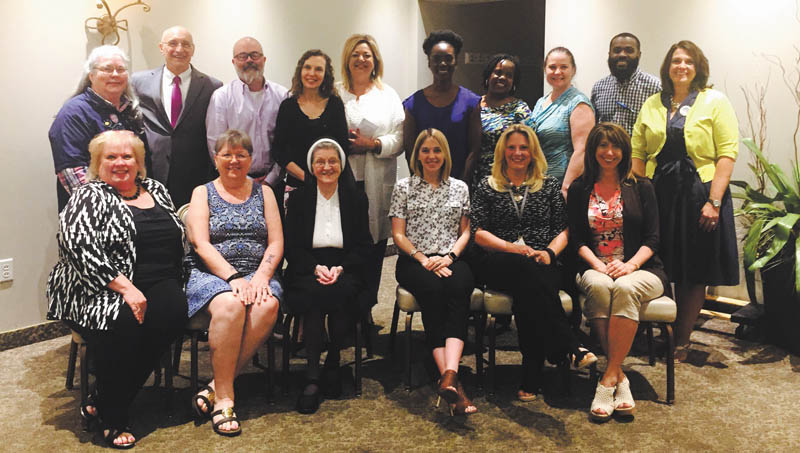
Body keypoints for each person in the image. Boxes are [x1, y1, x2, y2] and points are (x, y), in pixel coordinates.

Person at [46, 130, 187, 448]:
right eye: (111, 157)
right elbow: (78, 247)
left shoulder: (157, 190)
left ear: (139, 162)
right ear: (98, 163)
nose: (120, 163)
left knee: (174, 312)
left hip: (159, 279)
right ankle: (113, 417)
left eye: (127, 156)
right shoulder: (88, 195)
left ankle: (102, 397)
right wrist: (126, 288)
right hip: (96, 285)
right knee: (123, 321)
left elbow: (177, 236)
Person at [470, 124, 596, 401]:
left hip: (542, 260)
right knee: (528, 272)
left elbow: (564, 229)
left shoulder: (548, 185)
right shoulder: (486, 186)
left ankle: (533, 376)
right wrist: (513, 249)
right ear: (502, 152)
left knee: (530, 290)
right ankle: (569, 345)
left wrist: (549, 253)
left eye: (523, 148)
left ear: (533, 152)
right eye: (511, 147)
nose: (517, 153)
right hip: (498, 261)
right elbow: (476, 232)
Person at [631, 40, 739, 361]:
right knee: (660, 264)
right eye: (676, 60)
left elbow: (727, 153)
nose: (681, 66)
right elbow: (638, 151)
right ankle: (662, 330)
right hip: (658, 194)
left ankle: (681, 339)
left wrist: (714, 202)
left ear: (698, 67)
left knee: (694, 268)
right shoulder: (653, 103)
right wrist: (639, 195)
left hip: (698, 194)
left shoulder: (715, 101)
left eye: (688, 61)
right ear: (667, 67)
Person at [568, 122, 668, 421]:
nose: (609, 152)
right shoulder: (580, 188)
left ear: (624, 151)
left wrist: (629, 266)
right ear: (593, 150)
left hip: (641, 267)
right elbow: (576, 239)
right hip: (594, 265)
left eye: (615, 146)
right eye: (603, 146)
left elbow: (653, 239)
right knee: (600, 286)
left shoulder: (642, 186)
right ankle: (619, 377)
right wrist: (599, 265)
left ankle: (608, 378)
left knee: (624, 287)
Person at [184, 129, 282, 436]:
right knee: (230, 305)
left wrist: (262, 276)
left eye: (241, 155)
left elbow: (276, 242)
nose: (234, 161)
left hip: (257, 271)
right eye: (227, 154)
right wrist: (233, 277)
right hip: (211, 274)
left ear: (251, 159)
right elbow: (200, 243)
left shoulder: (265, 192)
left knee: (267, 304)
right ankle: (225, 399)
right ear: (216, 159)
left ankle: (215, 386)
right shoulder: (202, 192)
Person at [389, 128, 476, 415]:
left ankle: (448, 375)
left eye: (437, 150)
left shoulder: (460, 188)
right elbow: (398, 234)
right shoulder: (404, 187)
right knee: (434, 291)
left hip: (451, 258)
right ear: (417, 155)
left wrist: (449, 257)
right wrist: (423, 259)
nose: (431, 156)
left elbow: (466, 232)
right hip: (414, 261)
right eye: (425, 150)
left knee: (460, 288)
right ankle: (452, 379)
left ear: (445, 155)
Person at [284, 138, 372, 415]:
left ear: (341, 165)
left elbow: (364, 244)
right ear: (311, 167)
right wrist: (315, 267)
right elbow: (291, 246)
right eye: (320, 162)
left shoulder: (356, 198)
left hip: (345, 265)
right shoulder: (298, 199)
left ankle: (333, 362)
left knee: (342, 292)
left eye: (332, 161)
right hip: (307, 266)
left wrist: (341, 268)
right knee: (314, 296)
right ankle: (312, 375)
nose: (326, 167)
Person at [336, 34, 405, 310]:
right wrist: (343, 145)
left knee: (374, 247)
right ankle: (345, 308)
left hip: (376, 181)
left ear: (375, 60)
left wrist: (372, 144)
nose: (361, 60)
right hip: (343, 181)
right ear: (347, 60)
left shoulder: (387, 95)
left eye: (367, 55)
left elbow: (400, 138)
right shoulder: (335, 93)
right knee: (345, 245)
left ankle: (366, 308)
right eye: (355, 55)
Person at [49, 45, 148, 212]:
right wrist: (115, 210)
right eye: (107, 69)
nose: (115, 75)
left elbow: (142, 164)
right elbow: (74, 174)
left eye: (120, 69)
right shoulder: (73, 113)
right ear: (91, 75)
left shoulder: (131, 111)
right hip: (96, 213)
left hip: (135, 207)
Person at [131, 25, 223, 207]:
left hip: (196, 174)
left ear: (193, 49)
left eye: (186, 44)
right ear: (161, 47)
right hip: (151, 172)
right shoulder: (138, 82)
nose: (179, 49)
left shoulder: (212, 86)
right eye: (173, 43)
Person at [206, 36, 289, 189]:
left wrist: (270, 180)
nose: (249, 60)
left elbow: (287, 143)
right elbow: (216, 146)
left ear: (264, 59)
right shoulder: (222, 97)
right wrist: (244, 180)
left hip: (274, 184)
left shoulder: (282, 95)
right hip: (233, 182)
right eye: (242, 56)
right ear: (233, 62)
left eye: (254, 55)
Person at [403, 29, 480, 181]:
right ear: (429, 62)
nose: (443, 63)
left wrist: (459, 186)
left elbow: (474, 151)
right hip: (423, 185)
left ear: (456, 62)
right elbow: (410, 151)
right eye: (437, 59)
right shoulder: (413, 104)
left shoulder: (471, 102)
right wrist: (424, 184)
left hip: (460, 185)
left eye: (448, 58)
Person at [273, 49, 350, 199]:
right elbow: (279, 151)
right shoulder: (288, 106)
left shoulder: (335, 105)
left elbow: (343, 148)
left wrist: (323, 177)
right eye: (307, 67)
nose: (312, 73)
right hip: (297, 186)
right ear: (300, 71)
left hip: (330, 185)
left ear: (326, 75)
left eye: (318, 69)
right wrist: (307, 178)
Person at [531, 47, 595, 198]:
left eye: (564, 67)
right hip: (538, 185)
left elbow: (582, 150)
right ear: (545, 70)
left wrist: (566, 189)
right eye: (552, 67)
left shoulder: (578, 103)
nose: (557, 72)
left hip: (562, 188)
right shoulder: (541, 102)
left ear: (573, 70)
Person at [474, 53, 533, 187]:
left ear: (514, 82)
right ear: (488, 75)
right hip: (476, 178)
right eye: (498, 72)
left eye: (509, 75)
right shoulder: (473, 105)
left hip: (508, 180)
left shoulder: (520, 109)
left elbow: (529, 148)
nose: (502, 78)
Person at [591, 33, 662, 135]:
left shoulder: (655, 87)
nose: (622, 55)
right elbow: (594, 128)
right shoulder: (598, 88)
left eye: (629, 50)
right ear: (609, 54)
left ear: (639, 55)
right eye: (617, 50)